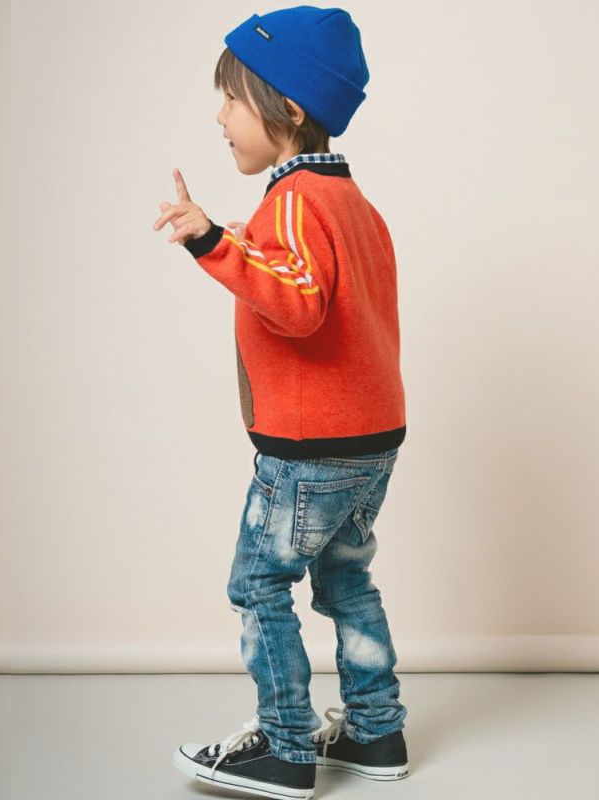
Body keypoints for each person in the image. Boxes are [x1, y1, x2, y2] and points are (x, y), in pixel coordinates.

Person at [154, 6, 409, 798]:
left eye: (233, 99)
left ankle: (287, 747)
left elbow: (297, 306)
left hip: (309, 449)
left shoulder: (294, 201)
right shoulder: (351, 204)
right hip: (371, 440)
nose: (221, 117)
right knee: (346, 582)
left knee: (260, 585)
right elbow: (319, 291)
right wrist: (246, 244)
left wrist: (213, 241)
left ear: (289, 109)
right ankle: (376, 731)